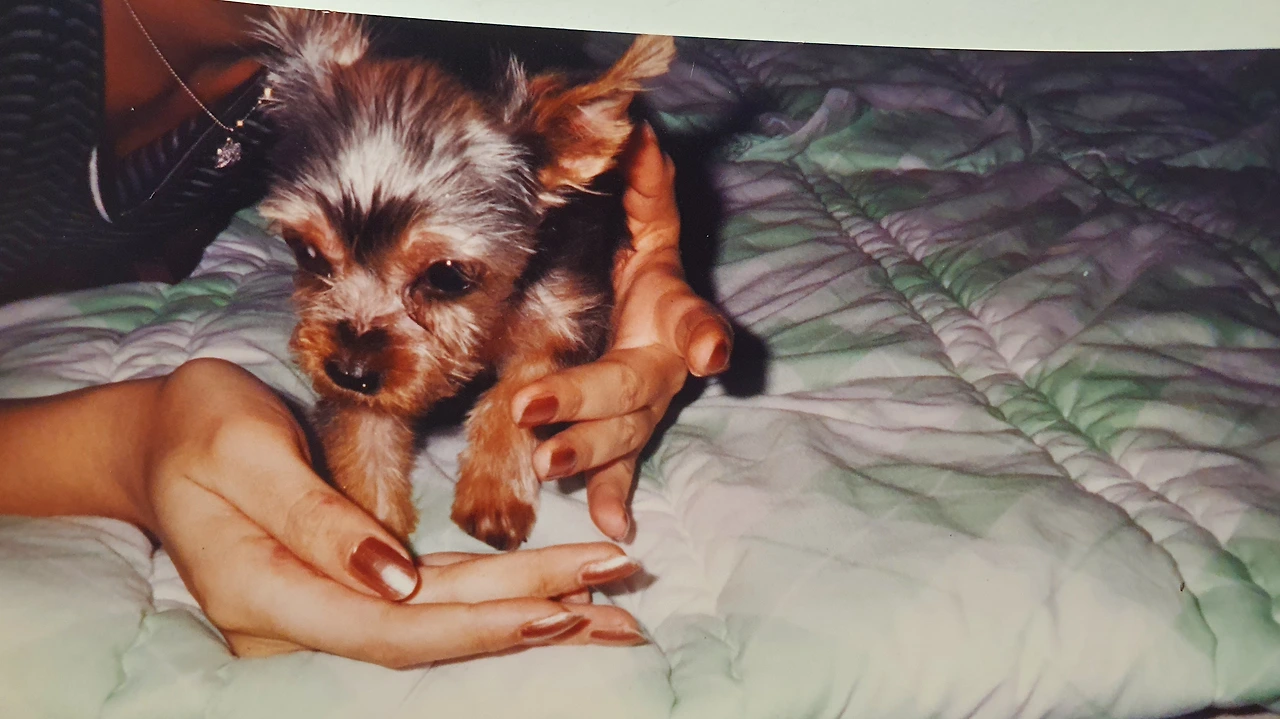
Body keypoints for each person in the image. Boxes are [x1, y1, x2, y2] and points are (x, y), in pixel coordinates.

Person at [0, 0, 731, 667]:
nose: (351, 354)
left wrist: (643, 251)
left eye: (444, 276)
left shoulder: (344, 57)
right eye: (309, 254)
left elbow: (562, 115)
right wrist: (128, 444)